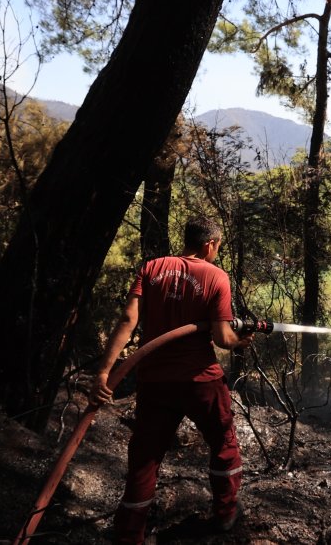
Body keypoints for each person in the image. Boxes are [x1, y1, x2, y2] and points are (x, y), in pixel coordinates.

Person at [90, 217, 253, 544]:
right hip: (201, 380)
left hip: (154, 380)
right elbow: (222, 338)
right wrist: (239, 341)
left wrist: (104, 372)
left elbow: (128, 319)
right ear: (210, 245)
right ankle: (225, 513)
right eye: (217, 247)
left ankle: (129, 535)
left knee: (145, 458)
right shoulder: (215, 276)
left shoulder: (151, 268)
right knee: (223, 444)